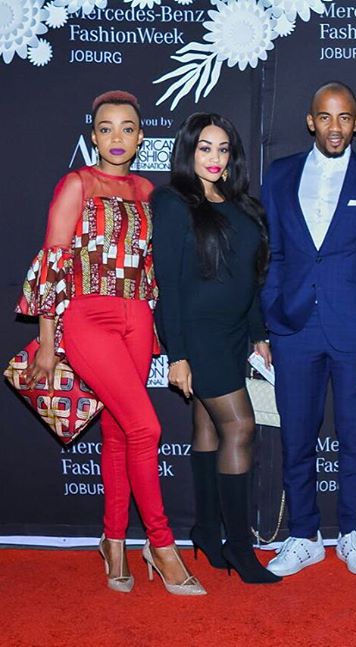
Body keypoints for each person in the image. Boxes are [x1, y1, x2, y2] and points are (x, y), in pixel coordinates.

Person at [16, 91, 205, 595]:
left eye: (127, 128)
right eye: (106, 128)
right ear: (93, 136)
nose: (117, 137)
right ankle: (161, 545)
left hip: (138, 317)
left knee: (121, 433)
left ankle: (114, 541)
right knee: (146, 427)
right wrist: (48, 342)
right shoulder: (76, 183)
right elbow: (54, 261)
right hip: (87, 316)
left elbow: (157, 263)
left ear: (141, 138)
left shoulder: (148, 191)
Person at [260, 81, 356, 577]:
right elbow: (272, 255)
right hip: (294, 329)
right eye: (325, 117)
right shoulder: (280, 175)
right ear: (311, 121)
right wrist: (269, 320)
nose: (335, 127)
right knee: (296, 439)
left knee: (354, 439)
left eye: (344, 117)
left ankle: (351, 533)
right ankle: (303, 535)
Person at [150, 113, 280, 584]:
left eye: (223, 149)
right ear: (188, 150)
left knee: (208, 426)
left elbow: (250, 277)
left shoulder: (243, 205)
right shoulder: (172, 202)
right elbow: (168, 283)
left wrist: (259, 333)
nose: (214, 157)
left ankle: (206, 530)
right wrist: (177, 355)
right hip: (197, 333)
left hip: (233, 333)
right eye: (205, 147)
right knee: (240, 426)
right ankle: (240, 548)